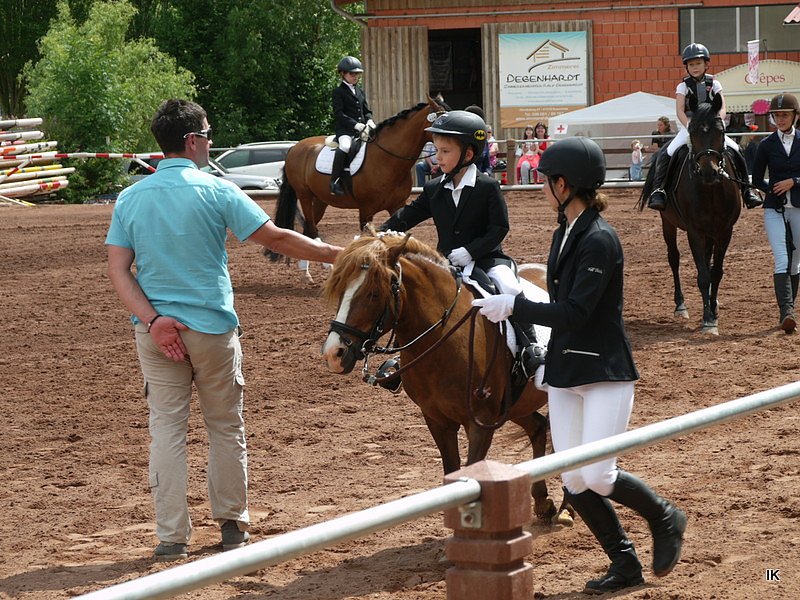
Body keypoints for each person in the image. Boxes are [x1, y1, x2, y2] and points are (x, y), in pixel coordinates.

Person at [106, 99, 341, 561]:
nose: (210, 142)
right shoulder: (216, 189)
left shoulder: (131, 198)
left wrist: (154, 322)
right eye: (208, 135)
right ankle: (233, 523)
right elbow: (274, 237)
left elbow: (119, 270)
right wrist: (337, 254)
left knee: (167, 431)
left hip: (157, 333)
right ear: (192, 140)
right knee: (225, 426)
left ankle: (171, 537)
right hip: (211, 328)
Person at [472, 137, 687, 595]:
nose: (541, 188)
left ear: (563, 184)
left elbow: (575, 313)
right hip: (566, 370)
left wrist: (514, 306)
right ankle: (625, 562)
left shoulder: (599, 239)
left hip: (604, 370)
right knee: (573, 478)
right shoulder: (563, 231)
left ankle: (665, 517)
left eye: (545, 181)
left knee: (598, 474)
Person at [379, 110, 541, 377]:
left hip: (487, 259)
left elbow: (499, 228)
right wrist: (379, 232)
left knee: (510, 285)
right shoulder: (433, 189)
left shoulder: (487, 186)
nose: (437, 157)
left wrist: (470, 251)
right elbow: (407, 216)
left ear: (467, 155)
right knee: (418, 297)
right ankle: (402, 356)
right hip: (445, 262)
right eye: (436, 150)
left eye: (444, 151)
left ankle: (530, 347)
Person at [647, 43, 762, 211]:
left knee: (736, 149)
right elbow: (679, 110)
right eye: (691, 64)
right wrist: (689, 126)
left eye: (698, 63)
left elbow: (722, 106)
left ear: (706, 64)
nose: (695, 67)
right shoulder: (683, 86)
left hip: (712, 128)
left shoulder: (715, 84)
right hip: (690, 128)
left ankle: (747, 190)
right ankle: (659, 190)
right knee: (667, 153)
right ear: (686, 66)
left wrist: (719, 122)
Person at [751, 93, 800, 334]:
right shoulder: (766, 145)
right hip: (775, 208)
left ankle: (789, 309)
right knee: (782, 258)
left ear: (795, 116)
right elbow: (757, 179)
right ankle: (786, 312)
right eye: (776, 115)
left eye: (784, 115)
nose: (780, 119)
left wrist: (794, 181)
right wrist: (772, 188)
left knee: (797, 259)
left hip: (799, 207)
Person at [331, 55, 375, 196]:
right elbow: (339, 114)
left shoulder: (360, 91)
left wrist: (369, 120)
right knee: (345, 146)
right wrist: (355, 125)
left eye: (357, 74)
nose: (355, 77)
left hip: (363, 129)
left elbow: (366, 111)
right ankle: (335, 181)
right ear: (343, 74)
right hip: (345, 131)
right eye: (352, 74)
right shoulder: (338, 92)